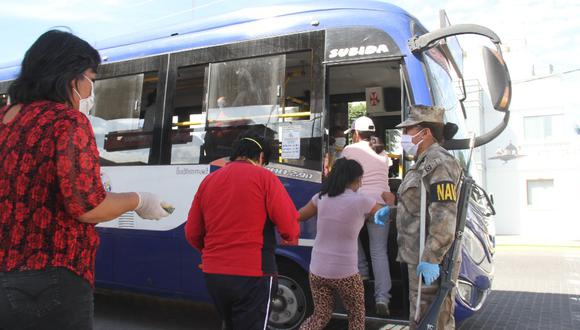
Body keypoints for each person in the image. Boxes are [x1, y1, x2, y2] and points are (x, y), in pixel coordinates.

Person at [0, 30, 171, 330]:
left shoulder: (5, 119)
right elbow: (87, 206)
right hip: (52, 279)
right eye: (91, 78)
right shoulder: (66, 121)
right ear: (70, 77)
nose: (92, 89)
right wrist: (139, 200)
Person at [185, 131, 300, 330]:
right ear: (261, 157)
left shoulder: (209, 181)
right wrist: (290, 238)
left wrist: (210, 254)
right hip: (254, 273)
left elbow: (192, 232)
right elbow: (289, 225)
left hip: (215, 274)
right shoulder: (265, 177)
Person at [298, 158, 390, 330]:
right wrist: (390, 201)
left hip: (317, 271)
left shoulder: (320, 198)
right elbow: (386, 215)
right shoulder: (363, 200)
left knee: (320, 315)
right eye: (360, 179)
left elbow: (297, 216)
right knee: (356, 317)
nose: (361, 184)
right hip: (346, 273)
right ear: (353, 179)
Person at [395, 105, 462, 329]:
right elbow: (420, 206)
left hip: (430, 260)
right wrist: (392, 212)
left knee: (434, 321)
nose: (404, 136)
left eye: (408, 130)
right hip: (417, 256)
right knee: (420, 318)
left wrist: (432, 258)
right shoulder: (423, 163)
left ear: (425, 133)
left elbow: (444, 215)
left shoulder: (438, 162)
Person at [342, 116, 394, 315]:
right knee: (380, 253)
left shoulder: (350, 150)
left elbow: (338, 174)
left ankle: (362, 272)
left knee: (351, 242)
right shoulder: (383, 152)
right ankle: (383, 299)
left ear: (356, 133)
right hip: (380, 205)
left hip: (358, 203)